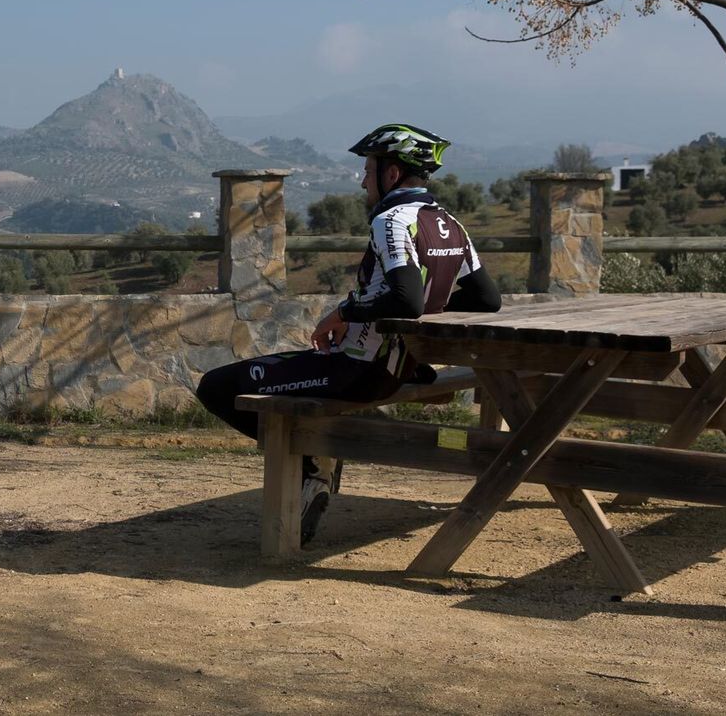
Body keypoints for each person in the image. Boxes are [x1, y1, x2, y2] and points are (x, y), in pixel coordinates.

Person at [195, 123, 502, 545]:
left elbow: (406, 299)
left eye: (367, 169)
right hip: (404, 366)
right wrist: (426, 317)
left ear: (391, 174)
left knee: (217, 386)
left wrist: (344, 311)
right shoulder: (449, 223)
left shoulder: (392, 221)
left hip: (359, 369)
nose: (362, 182)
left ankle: (311, 464)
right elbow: (487, 299)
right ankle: (316, 458)